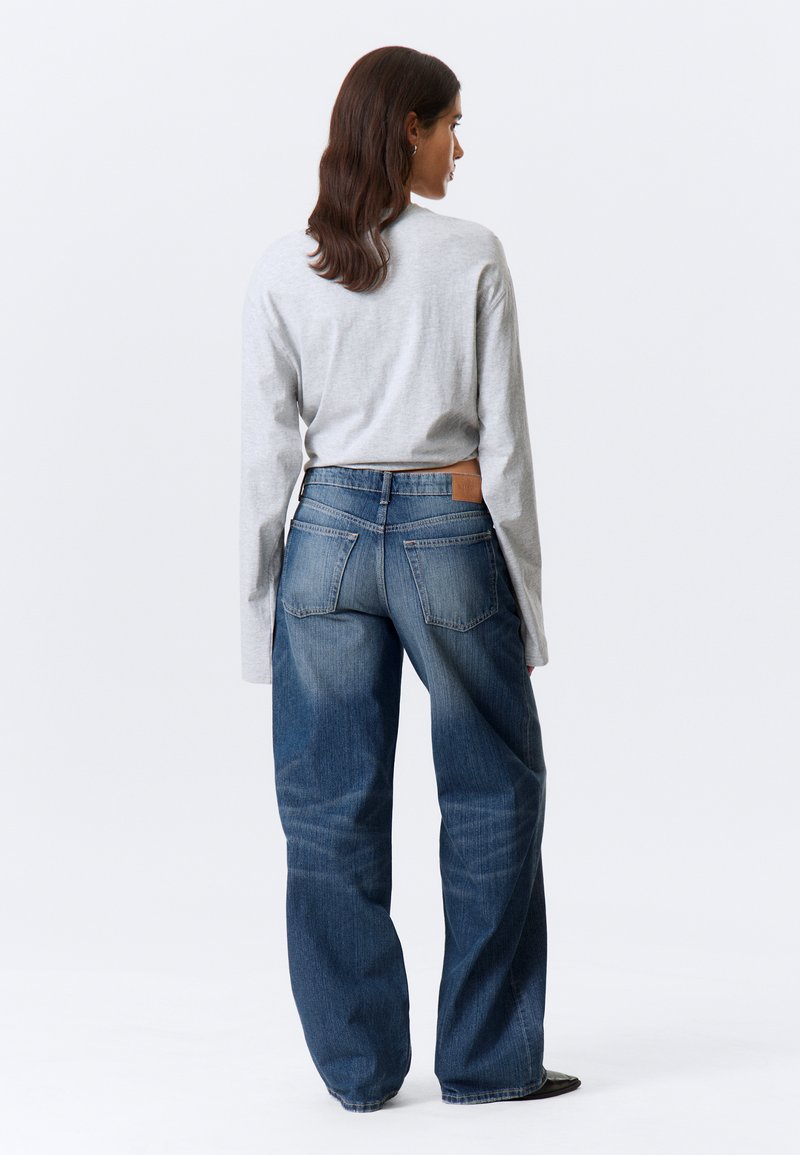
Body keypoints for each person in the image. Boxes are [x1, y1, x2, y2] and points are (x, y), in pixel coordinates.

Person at [239, 45, 580, 1112]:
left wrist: (258, 620)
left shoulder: (284, 268)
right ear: (407, 129)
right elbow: (505, 449)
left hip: (325, 534)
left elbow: (265, 459)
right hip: (448, 526)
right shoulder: (471, 253)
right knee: (492, 791)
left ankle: (357, 1072)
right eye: (450, 126)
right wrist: (525, 610)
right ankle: (486, 1060)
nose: (459, 148)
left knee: (327, 807)